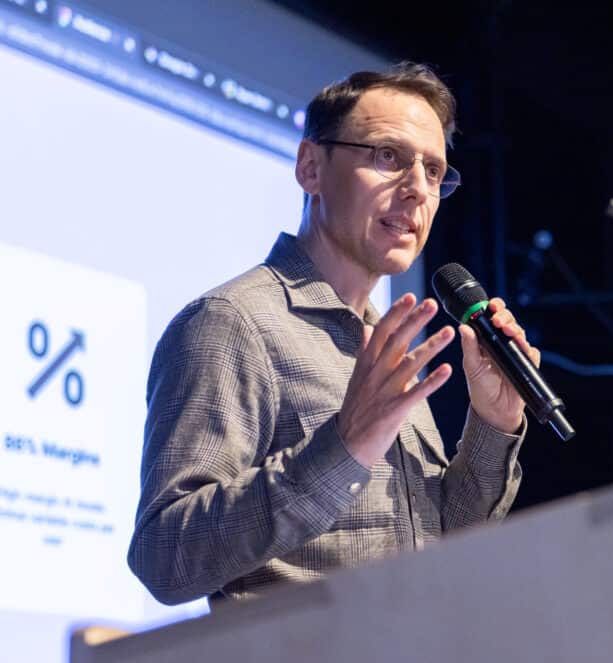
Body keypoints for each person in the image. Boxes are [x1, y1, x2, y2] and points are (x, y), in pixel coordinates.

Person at [127, 62, 539, 606]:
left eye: (435, 171)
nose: (417, 189)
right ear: (311, 167)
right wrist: (344, 445)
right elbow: (165, 558)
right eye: (387, 157)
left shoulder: (389, 345)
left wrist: (493, 422)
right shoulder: (231, 323)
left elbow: (448, 548)